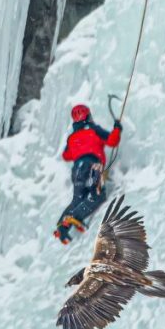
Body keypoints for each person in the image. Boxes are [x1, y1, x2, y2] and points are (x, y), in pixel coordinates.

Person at [54, 104, 122, 244]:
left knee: (78, 198)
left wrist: (80, 148)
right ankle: (74, 217)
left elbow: (66, 155)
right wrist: (117, 128)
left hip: (77, 169)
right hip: (93, 166)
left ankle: (62, 227)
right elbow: (112, 141)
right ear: (88, 116)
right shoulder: (94, 130)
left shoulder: (72, 137)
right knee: (98, 195)